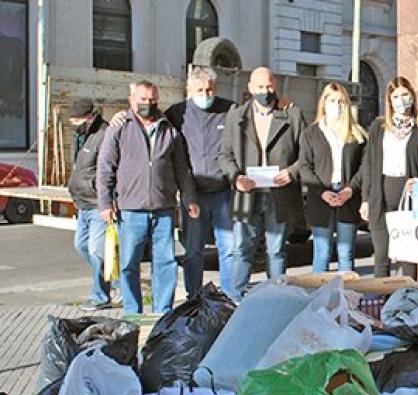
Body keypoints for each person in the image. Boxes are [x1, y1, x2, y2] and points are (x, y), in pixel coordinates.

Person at [97, 81, 199, 314]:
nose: (148, 103)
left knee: (165, 263)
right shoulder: (119, 127)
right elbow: (105, 167)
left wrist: (189, 197)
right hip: (131, 209)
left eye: (152, 99)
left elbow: (182, 169)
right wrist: (104, 203)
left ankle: (163, 310)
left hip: (163, 208)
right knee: (129, 264)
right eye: (142, 99)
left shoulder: (169, 129)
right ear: (131, 100)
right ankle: (133, 312)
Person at [218, 67, 307, 297]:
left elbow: (306, 155)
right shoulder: (236, 116)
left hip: (280, 194)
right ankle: (234, 300)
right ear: (250, 88)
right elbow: (224, 155)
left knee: (276, 251)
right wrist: (236, 177)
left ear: (275, 85)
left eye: (268, 87)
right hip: (247, 195)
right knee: (241, 249)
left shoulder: (292, 114)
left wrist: (292, 172)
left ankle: (277, 298)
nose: (264, 92)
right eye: (259, 87)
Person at [164, 67, 238, 299]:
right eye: (200, 90)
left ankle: (228, 295)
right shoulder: (177, 113)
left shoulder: (230, 110)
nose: (205, 94)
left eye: (209, 89)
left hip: (223, 193)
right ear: (189, 89)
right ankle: (193, 296)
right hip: (193, 194)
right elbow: (147, 121)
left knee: (228, 249)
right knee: (193, 251)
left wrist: (283, 104)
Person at [358, 76, 418, 279]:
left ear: (413, 97)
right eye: (396, 96)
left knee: (408, 255)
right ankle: (382, 301)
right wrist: (365, 198)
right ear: (389, 100)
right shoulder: (379, 127)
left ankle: (407, 298)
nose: (401, 100)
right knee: (382, 254)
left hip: (409, 194)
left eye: (405, 95)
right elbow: (369, 164)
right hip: (381, 192)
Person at [296, 82, 367, 273]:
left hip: (347, 197)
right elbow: (304, 166)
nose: (338, 105)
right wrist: (322, 192)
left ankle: (346, 297)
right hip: (321, 197)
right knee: (322, 252)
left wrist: (350, 189)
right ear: (324, 103)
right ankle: (320, 297)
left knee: (346, 253)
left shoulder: (357, 133)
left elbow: (364, 167)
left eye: (342, 101)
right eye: (333, 101)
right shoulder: (311, 133)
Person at [66, 98, 114, 310]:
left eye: (77, 120)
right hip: (83, 202)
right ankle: (117, 282)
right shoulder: (81, 135)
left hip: (97, 202)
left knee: (96, 250)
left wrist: (108, 200)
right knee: (82, 245)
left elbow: (108, 169)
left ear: (89, 117)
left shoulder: (103, 135)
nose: (74, 124)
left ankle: (100, 297)